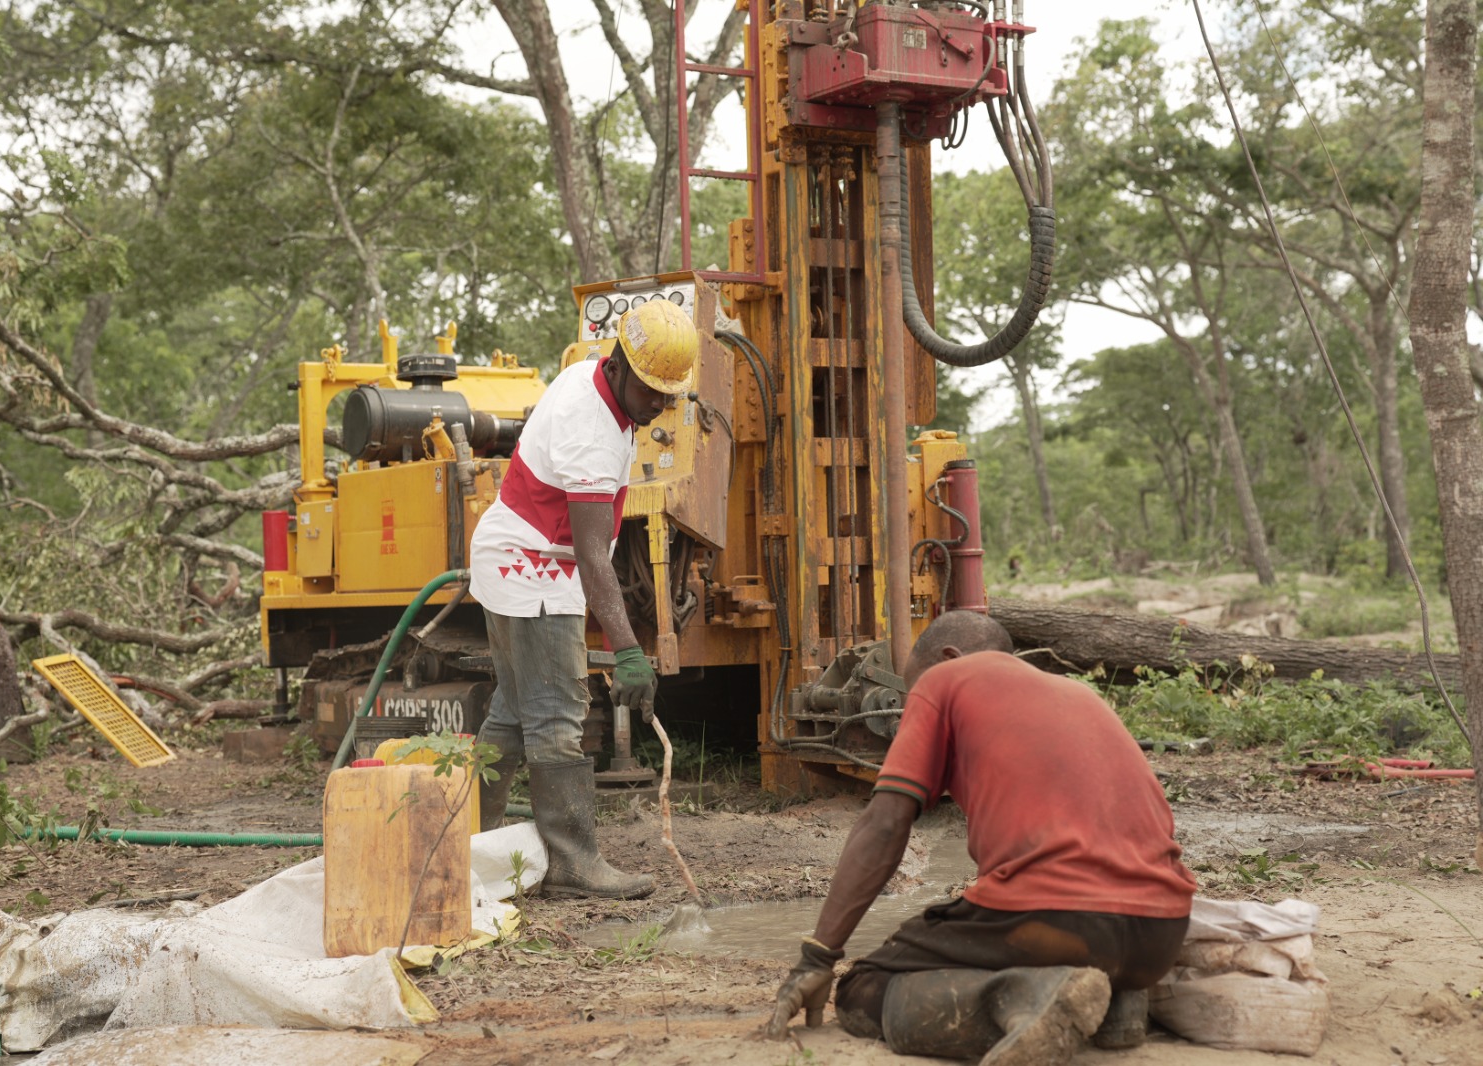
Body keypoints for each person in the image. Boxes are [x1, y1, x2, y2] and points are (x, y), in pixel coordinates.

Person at [765, 611, 1196, 1064]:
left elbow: (886, 823)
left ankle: (1024, 997)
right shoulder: (1078, 694)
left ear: (949, 658)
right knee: (1024, 937)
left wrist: (818, 958)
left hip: (1058, 920)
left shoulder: (946, 679)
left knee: (864, 988)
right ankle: (1119, 1004)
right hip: (1158, 936)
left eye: (911, 693)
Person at [467, 298, 699, 900]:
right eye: (652, 390)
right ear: (620, 365)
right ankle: (573, 864)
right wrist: (627, 651)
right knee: (555, 719)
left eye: (671, 393)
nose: (661, 405)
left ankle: (465, 844)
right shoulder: (591, 431)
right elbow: (596, 557)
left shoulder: (590, 378)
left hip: (527, 557)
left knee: (513, 714)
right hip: (533, 566)